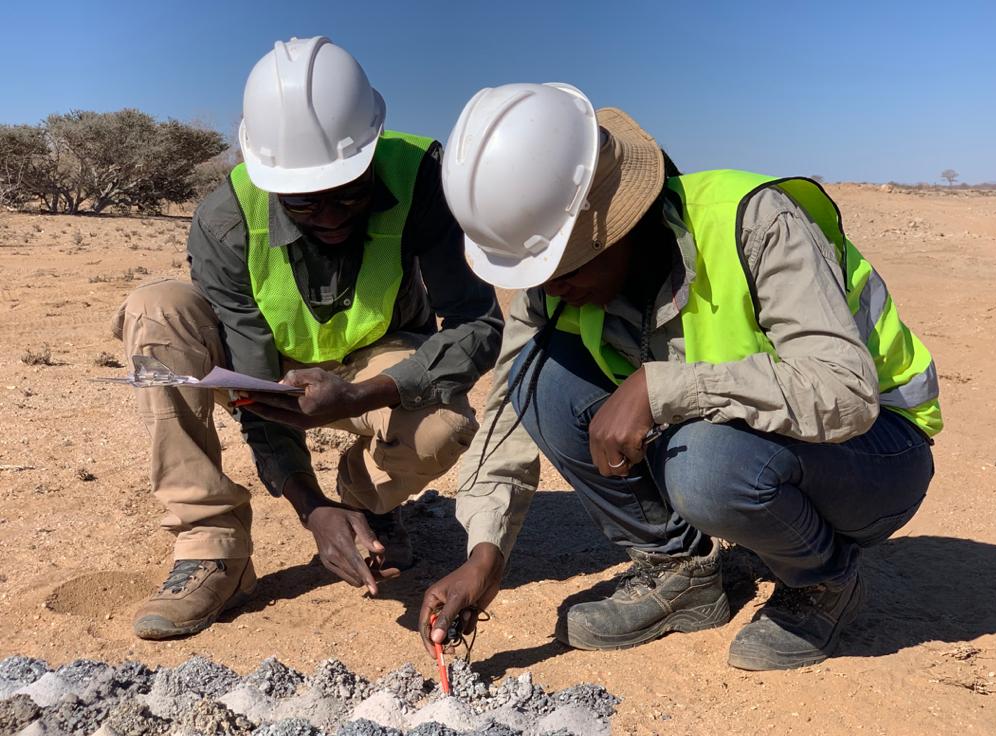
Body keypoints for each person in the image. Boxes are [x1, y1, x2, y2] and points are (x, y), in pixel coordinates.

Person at [419, 83, 940, 670]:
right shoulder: (556, 286)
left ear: (615, 219)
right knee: (541, 377)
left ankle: (826, 583)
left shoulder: (754, 223)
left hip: (875, 454)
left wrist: (661, 386)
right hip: (754, 440)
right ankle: (683, 576)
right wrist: (484, 552)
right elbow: (509, 412)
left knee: (705, 465)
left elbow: (844, 391)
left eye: (560, 269)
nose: (545, 288)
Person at [113, 37, 502, 640]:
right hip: (271, 370)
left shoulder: (425, 177)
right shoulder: (227, 219)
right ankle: (215, 549)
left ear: (372, 150)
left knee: (442, 428)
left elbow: (478, 324)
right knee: (156, 310)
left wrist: (364, 394)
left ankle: (369, 505)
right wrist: (310, 508)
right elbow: (257, 397)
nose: (329, 214)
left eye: (350, 191)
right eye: (302, 203)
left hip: (377, 358)